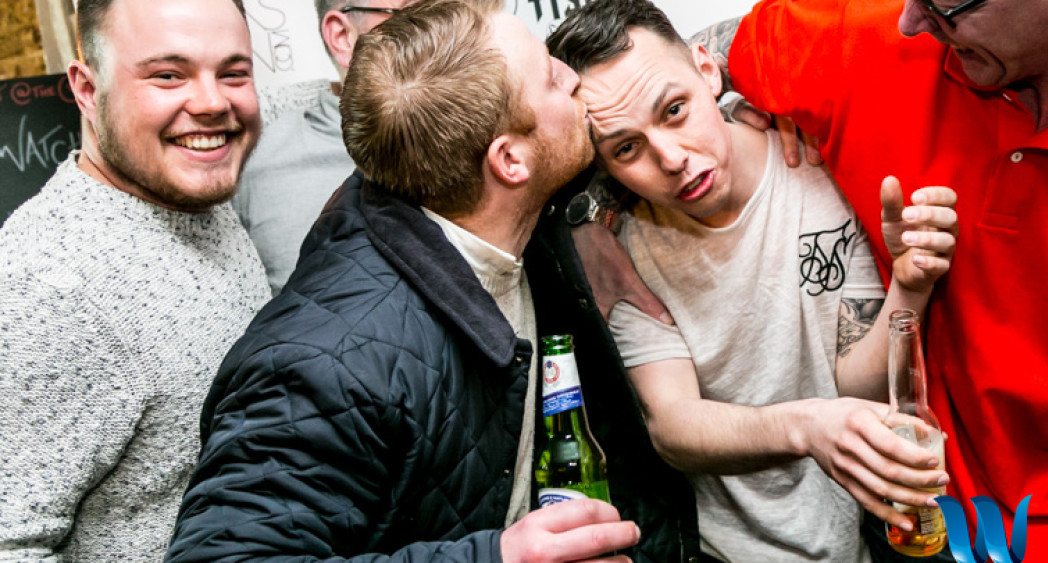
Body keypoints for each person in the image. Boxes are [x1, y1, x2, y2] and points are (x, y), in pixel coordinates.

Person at [166, 0, 700, 560]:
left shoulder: (475, 189)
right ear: (509, 161)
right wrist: (499, 558)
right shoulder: (328, 363)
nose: (573, 79)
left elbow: (671, 70)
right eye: (550, 76)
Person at [668, 0, 1048, 560]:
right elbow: (655, 76)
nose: (911, 21)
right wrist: (603, 212)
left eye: (943, 5)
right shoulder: (870, 34)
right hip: (914, 517)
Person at [547, 1, 957, 560]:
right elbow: (673, 426)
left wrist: (909, 287)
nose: (670, 158)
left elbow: (856, 385)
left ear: (707, 70)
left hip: (857, 538)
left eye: (674, 110)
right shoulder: (618, 248)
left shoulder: (814, 163)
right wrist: (804, 427)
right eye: (626, 148)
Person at [0, 0, 269, 560]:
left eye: (232, 73)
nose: (212, 102)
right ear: (87, 89)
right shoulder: (47, 292)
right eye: (168, 75)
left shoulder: (190, 197)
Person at [234, 0, 416, 295]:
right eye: (419, 14)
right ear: (343, 37)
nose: (453, 33)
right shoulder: (259, 163)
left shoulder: (487, 140)